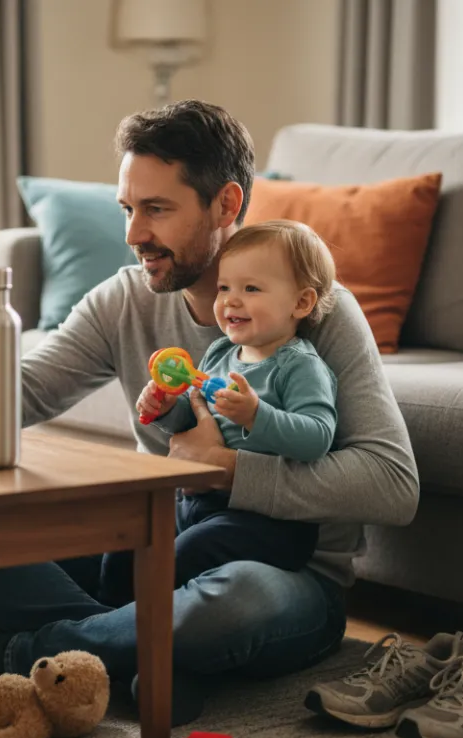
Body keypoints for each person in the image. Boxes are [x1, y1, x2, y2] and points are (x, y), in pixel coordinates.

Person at [0, 100, 418, 724]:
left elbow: (393, 484)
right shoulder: (125, 298)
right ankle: (135, 654)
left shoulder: (319, 313)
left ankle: (10, 652)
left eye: (157, 210)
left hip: (285, 575)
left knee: (230, 602)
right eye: (128, 209)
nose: (135, 234)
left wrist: (229, 470)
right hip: (150, 553)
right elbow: (29, 386)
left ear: (225, 205)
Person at [101, 220, 339, 608]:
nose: (230, 300)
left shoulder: (299, 366)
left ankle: (138, 633)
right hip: (199, 505)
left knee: (184, 555)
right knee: (129, 537)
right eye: (224, 287)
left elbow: (317, 437)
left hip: (267, 521)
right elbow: (198, 419)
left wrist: (256, 415)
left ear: (301, 303)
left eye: (251, 288)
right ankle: (104, 622)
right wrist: (166, 410)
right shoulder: (219, 355)